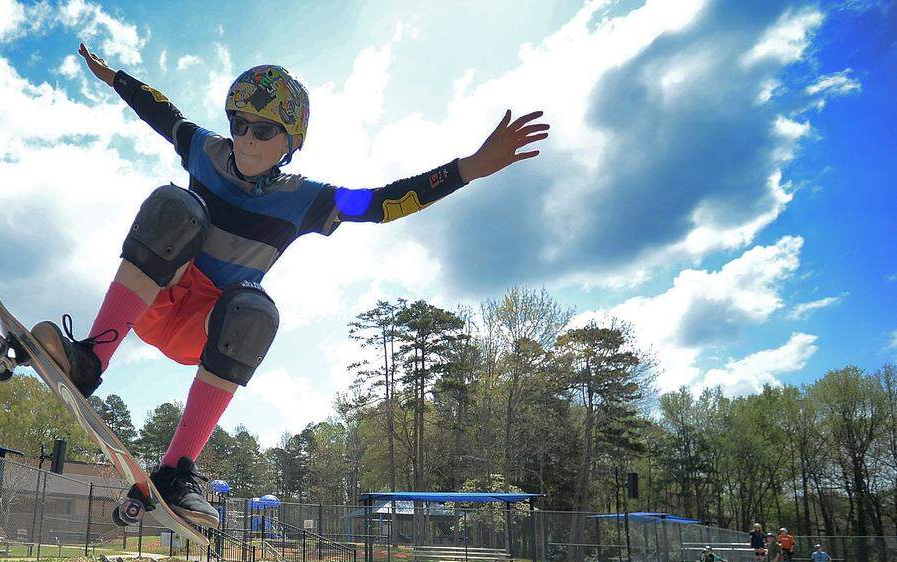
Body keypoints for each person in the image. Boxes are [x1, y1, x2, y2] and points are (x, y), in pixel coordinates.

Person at [30, 45, 550, 527]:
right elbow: (161, 113)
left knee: (257, 309)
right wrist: (116, 78)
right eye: (240, 125)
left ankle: (176, 469)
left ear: (290, 142)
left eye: (263, 132)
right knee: (177, 206)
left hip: (209, 329)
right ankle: (89, 359)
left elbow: (383, 202)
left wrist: (471, 169)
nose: (246, 141)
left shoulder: (307, 199)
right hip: (157, 297)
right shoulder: (204, 151)